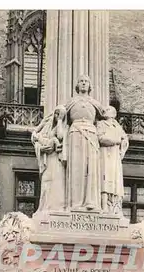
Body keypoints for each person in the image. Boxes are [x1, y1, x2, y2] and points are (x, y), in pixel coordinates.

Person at [64, 75, 106, 211]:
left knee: (91, 167)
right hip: (75, 133)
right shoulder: (70, 102)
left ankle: (91, 201)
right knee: (77, 167)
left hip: (91, 134)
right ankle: (75, 202)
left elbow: (106, 118)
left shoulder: (95, 104)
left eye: (86, 81)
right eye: (81, 81)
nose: (83, 84)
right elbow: (60, 118)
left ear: (89, 86)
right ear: (77, 85)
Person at [31, 105, 67, 212]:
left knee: (56, 182)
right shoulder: (47, 125)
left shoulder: (63, 127)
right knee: (46, 181)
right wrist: (41, 147)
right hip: (48, 158)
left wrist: (60, 121)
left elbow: (60, 136)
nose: (57, 116)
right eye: (57, 114)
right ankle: (46, 206)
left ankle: (55, 208)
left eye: (60, 115)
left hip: (56, 160)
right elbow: (34, 136)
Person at [97, 106, 129, 214]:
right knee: (104, 178)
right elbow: (100, 138)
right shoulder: (101, 124)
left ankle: (115, 207)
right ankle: (104, 206)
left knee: (115, 180)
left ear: (114, 114)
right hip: (105, 154)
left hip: (115, 155)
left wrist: (122, 148)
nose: (105, 111)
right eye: (105, 110)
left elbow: (124, 138)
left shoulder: (117, 126)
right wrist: (115, 140)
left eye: (108, 110)